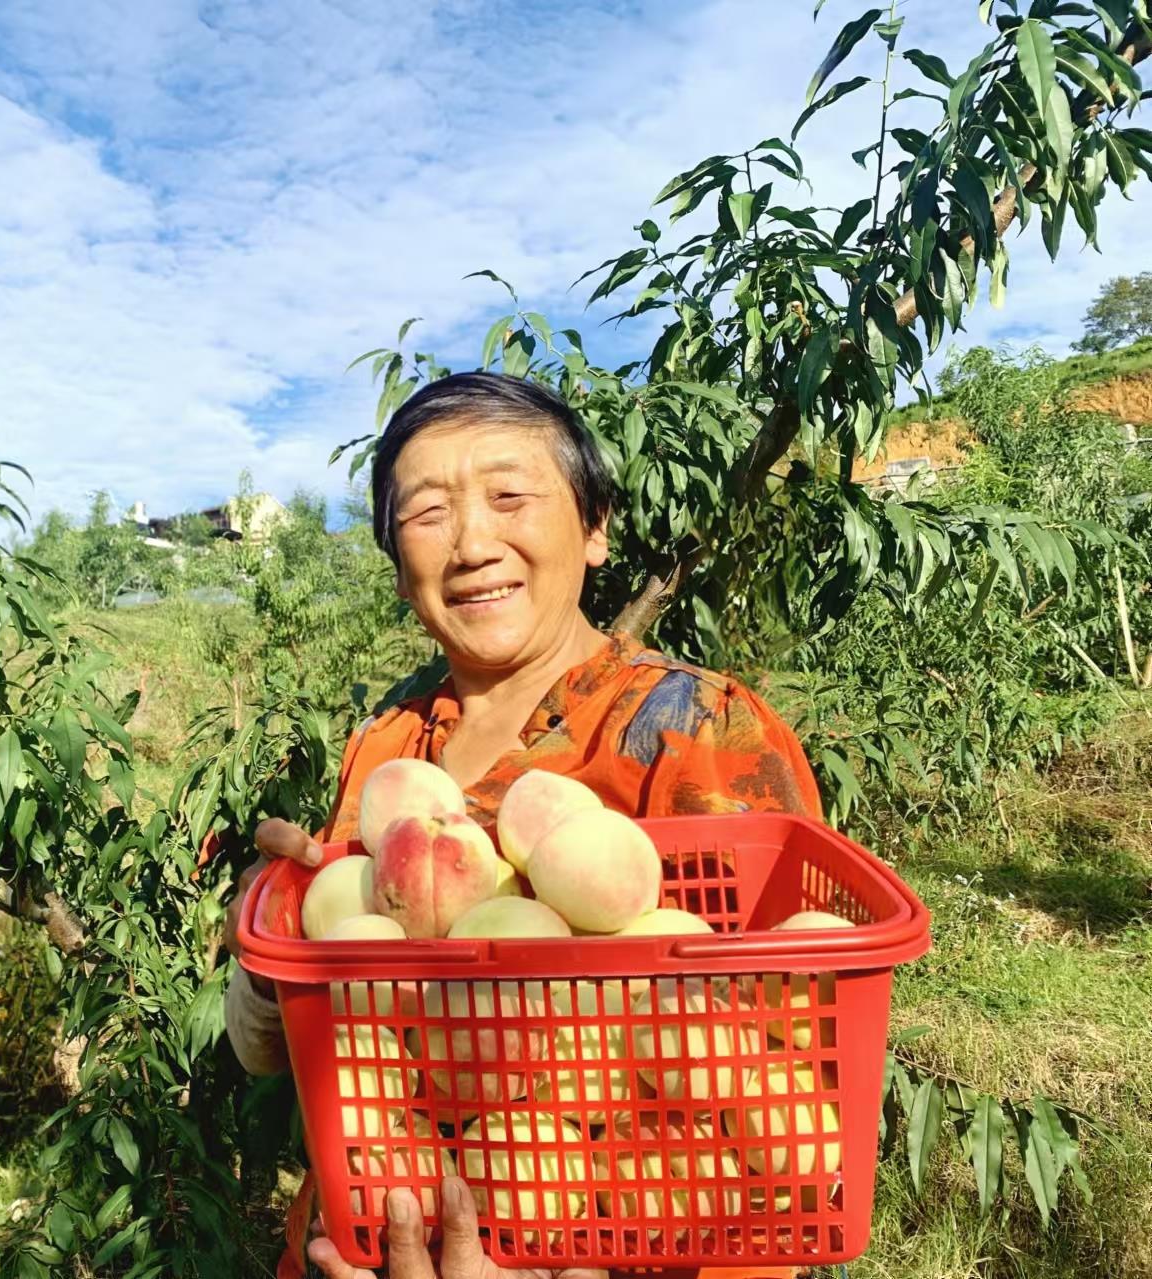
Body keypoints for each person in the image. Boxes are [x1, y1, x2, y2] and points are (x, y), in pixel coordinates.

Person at [223, 371, 823, 1279]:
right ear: (397, 565)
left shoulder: (692, 728)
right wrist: (272, 946)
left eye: (510, 496)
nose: (470, 543)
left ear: (594, 527)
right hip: (383, 1233)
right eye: (425, 513)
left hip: (617, 1238)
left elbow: (787, 1093)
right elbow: (283, 1051)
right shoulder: (390, 751)